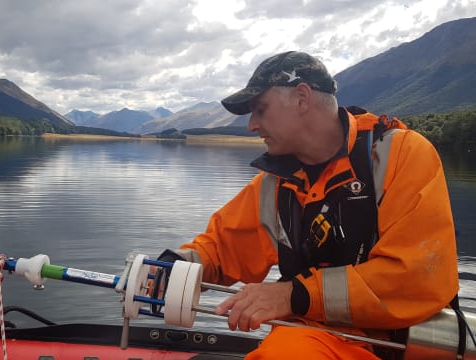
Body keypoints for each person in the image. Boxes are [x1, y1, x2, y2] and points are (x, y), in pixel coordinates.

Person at [157, 51, 459, 359]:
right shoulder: (276, 184)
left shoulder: (403, 156)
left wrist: (295, 295)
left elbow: (415, 278)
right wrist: (172, 267)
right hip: (312, 337)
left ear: (302, 98)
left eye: (260, 110)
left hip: (397, 346)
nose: (252, 125)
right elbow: (223, 248)